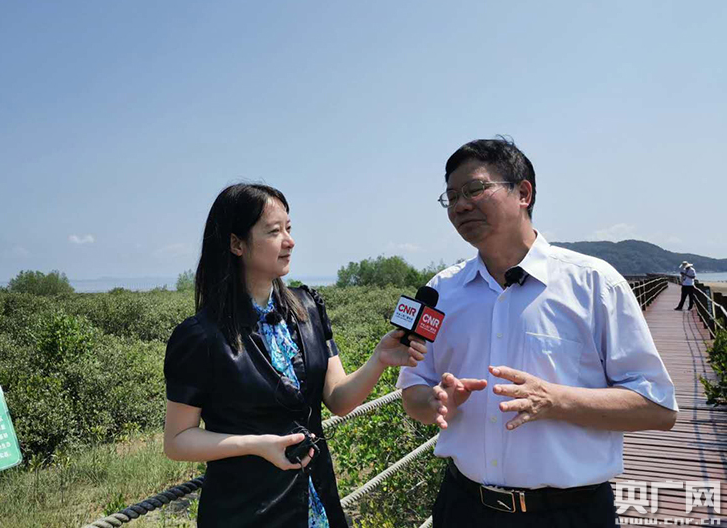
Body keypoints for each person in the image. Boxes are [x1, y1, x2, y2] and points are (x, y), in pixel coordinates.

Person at [397, 137, 678, 527]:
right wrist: (436, 401)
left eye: (475, 189)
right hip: (462, 506)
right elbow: (413, 392)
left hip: (569, 514)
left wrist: (555, 400)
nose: (461, 205)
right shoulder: (441, 291)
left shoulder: (594, 284)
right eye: (452, 196)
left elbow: (659, 408)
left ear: (523, 193)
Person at [163, 183, 427, 527]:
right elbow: (178, 440)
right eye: (274, 232)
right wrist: (257, 445)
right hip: (247, 511)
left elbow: (338, 399)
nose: (289, 241)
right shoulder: (201, 336)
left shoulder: (308, 309)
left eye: (289, 228)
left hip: (318, 501)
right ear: (236, 244)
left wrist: (379, 359)